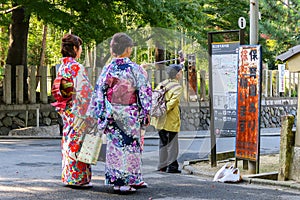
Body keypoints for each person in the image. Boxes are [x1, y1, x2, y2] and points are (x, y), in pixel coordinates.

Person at [87, 32, 152, 192]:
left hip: (111, 113)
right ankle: (125, 182)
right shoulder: (134, 69)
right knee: (130, 146)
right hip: (129, 113)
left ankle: (126, 180)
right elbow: (144, 91)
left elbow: (99, 92)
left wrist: (98, 112)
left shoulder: (107, 69)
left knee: (116, 146)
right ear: (128, 49)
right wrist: (146, 111)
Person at [51, 33, 94, 188]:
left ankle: (68, 176)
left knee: (69, 141)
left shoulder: (62, 67)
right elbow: (84, 92)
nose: (80, 50)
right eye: (80, 47)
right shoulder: (77, 67)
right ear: (75, 48)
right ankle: (78, 178)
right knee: (77, 142)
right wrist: (90, 113)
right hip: (77, 110)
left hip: (66, 108)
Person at [151, 64, 183, 173]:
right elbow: (173, 102)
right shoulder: (177, 87)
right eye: (180, 71)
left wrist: (159, 111)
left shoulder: (161, 84)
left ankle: (162, 165)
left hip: (159, 119)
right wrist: (165, 110)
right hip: (170, 119)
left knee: (163, 142)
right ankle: (172, 167)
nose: (181, 73)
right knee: (172, 144)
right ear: (177, 74)